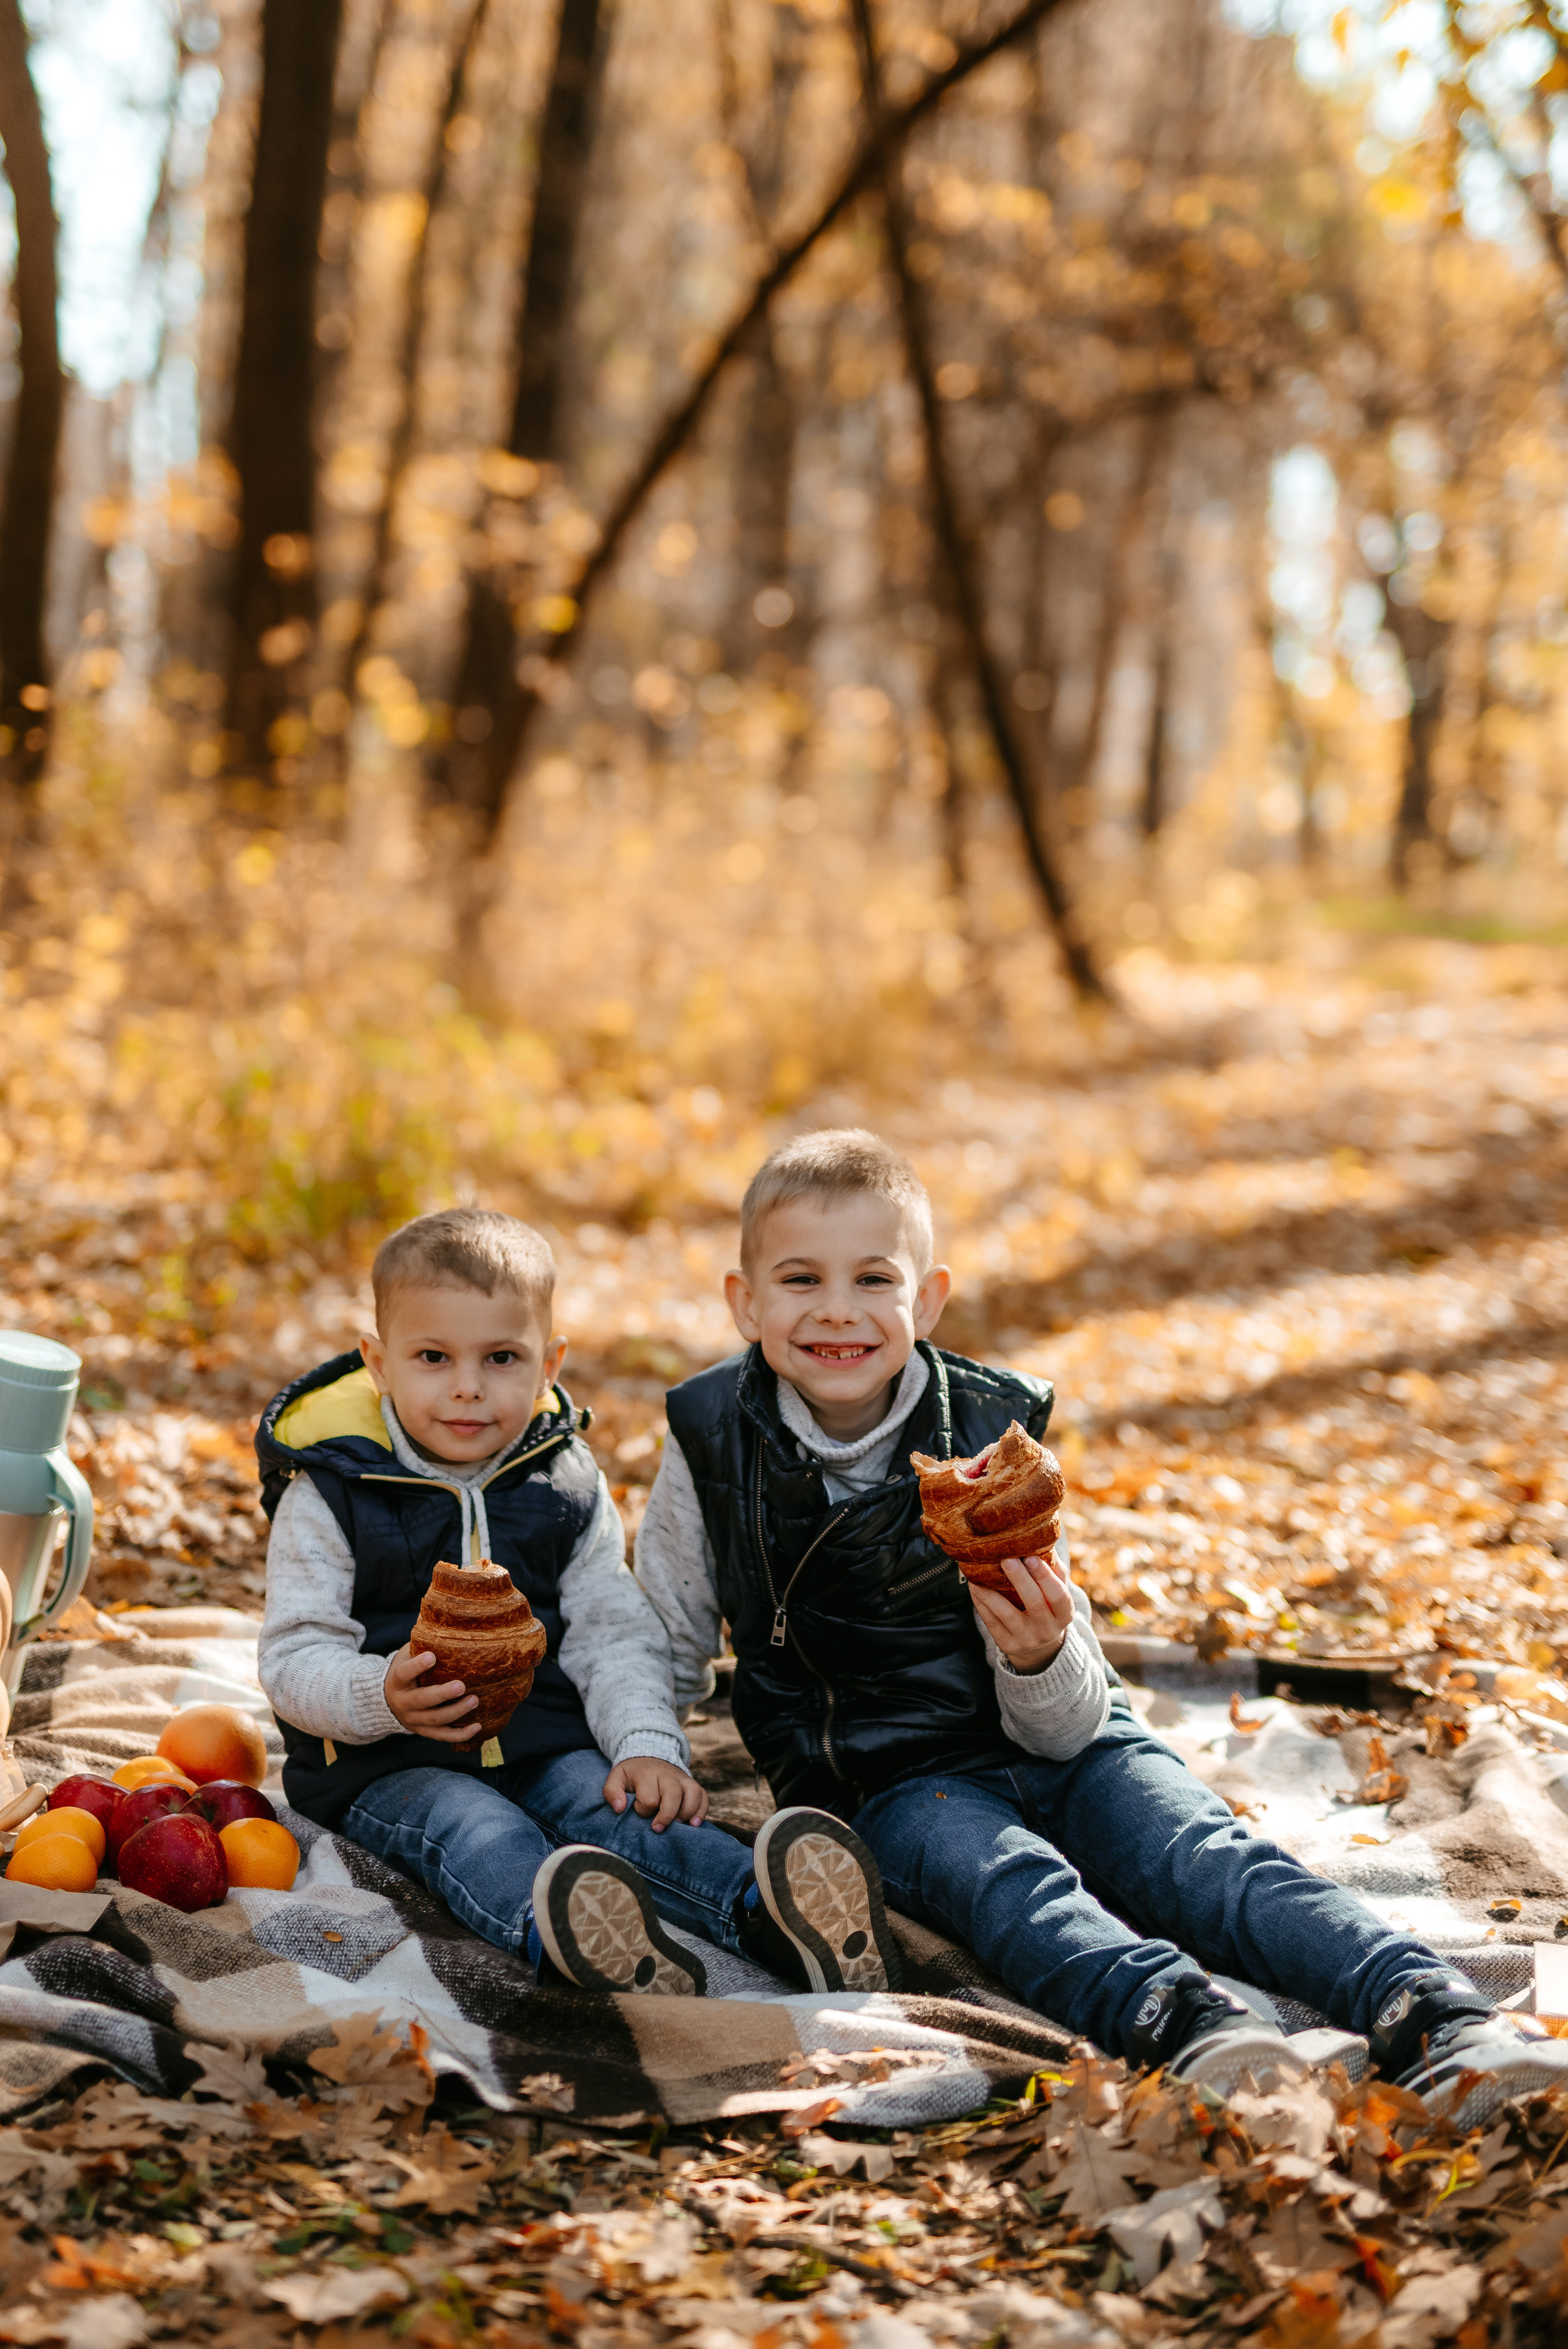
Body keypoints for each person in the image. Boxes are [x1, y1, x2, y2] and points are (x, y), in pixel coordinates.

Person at [635, 1129, 1568, 2122]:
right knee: (1007, 1883)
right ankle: (1179, 2019)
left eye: (874, 1277)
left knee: (1204, 1855)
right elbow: (663, 1628)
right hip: (893, 1778)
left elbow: (1072, 1719)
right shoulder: (709, 1443)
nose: (837, 1309)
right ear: (745, 1302)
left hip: (1069, 1741)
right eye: (799, 1278)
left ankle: (1434, 2012)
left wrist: (1039, 1652)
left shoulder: (995, 1443)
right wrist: (651, 1742)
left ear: (928, 1298)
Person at [255, 1205, 902, 1999]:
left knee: (622, 1809)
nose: (467, 1387)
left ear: (550, 1362)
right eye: (433, 1357)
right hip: (387, 1762)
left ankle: (776, 1909)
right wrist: (380, 1696)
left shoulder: (562, 1480)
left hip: (546, 1739)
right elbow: (293, 1653)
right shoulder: (331, 1490)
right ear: (379, 1363)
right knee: (476, 1828)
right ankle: (566, 1933)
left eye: (502, 1357)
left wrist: (645, 1745)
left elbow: (611, 1629)